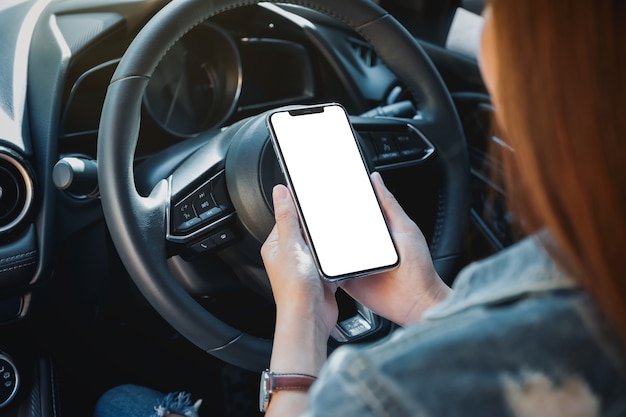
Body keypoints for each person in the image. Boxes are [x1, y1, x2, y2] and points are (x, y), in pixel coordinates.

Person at [94, 1, 626, 416]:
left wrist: (301, 320)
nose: (484, 40)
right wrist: (427, 305)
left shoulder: (381, 391)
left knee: (117, 402)